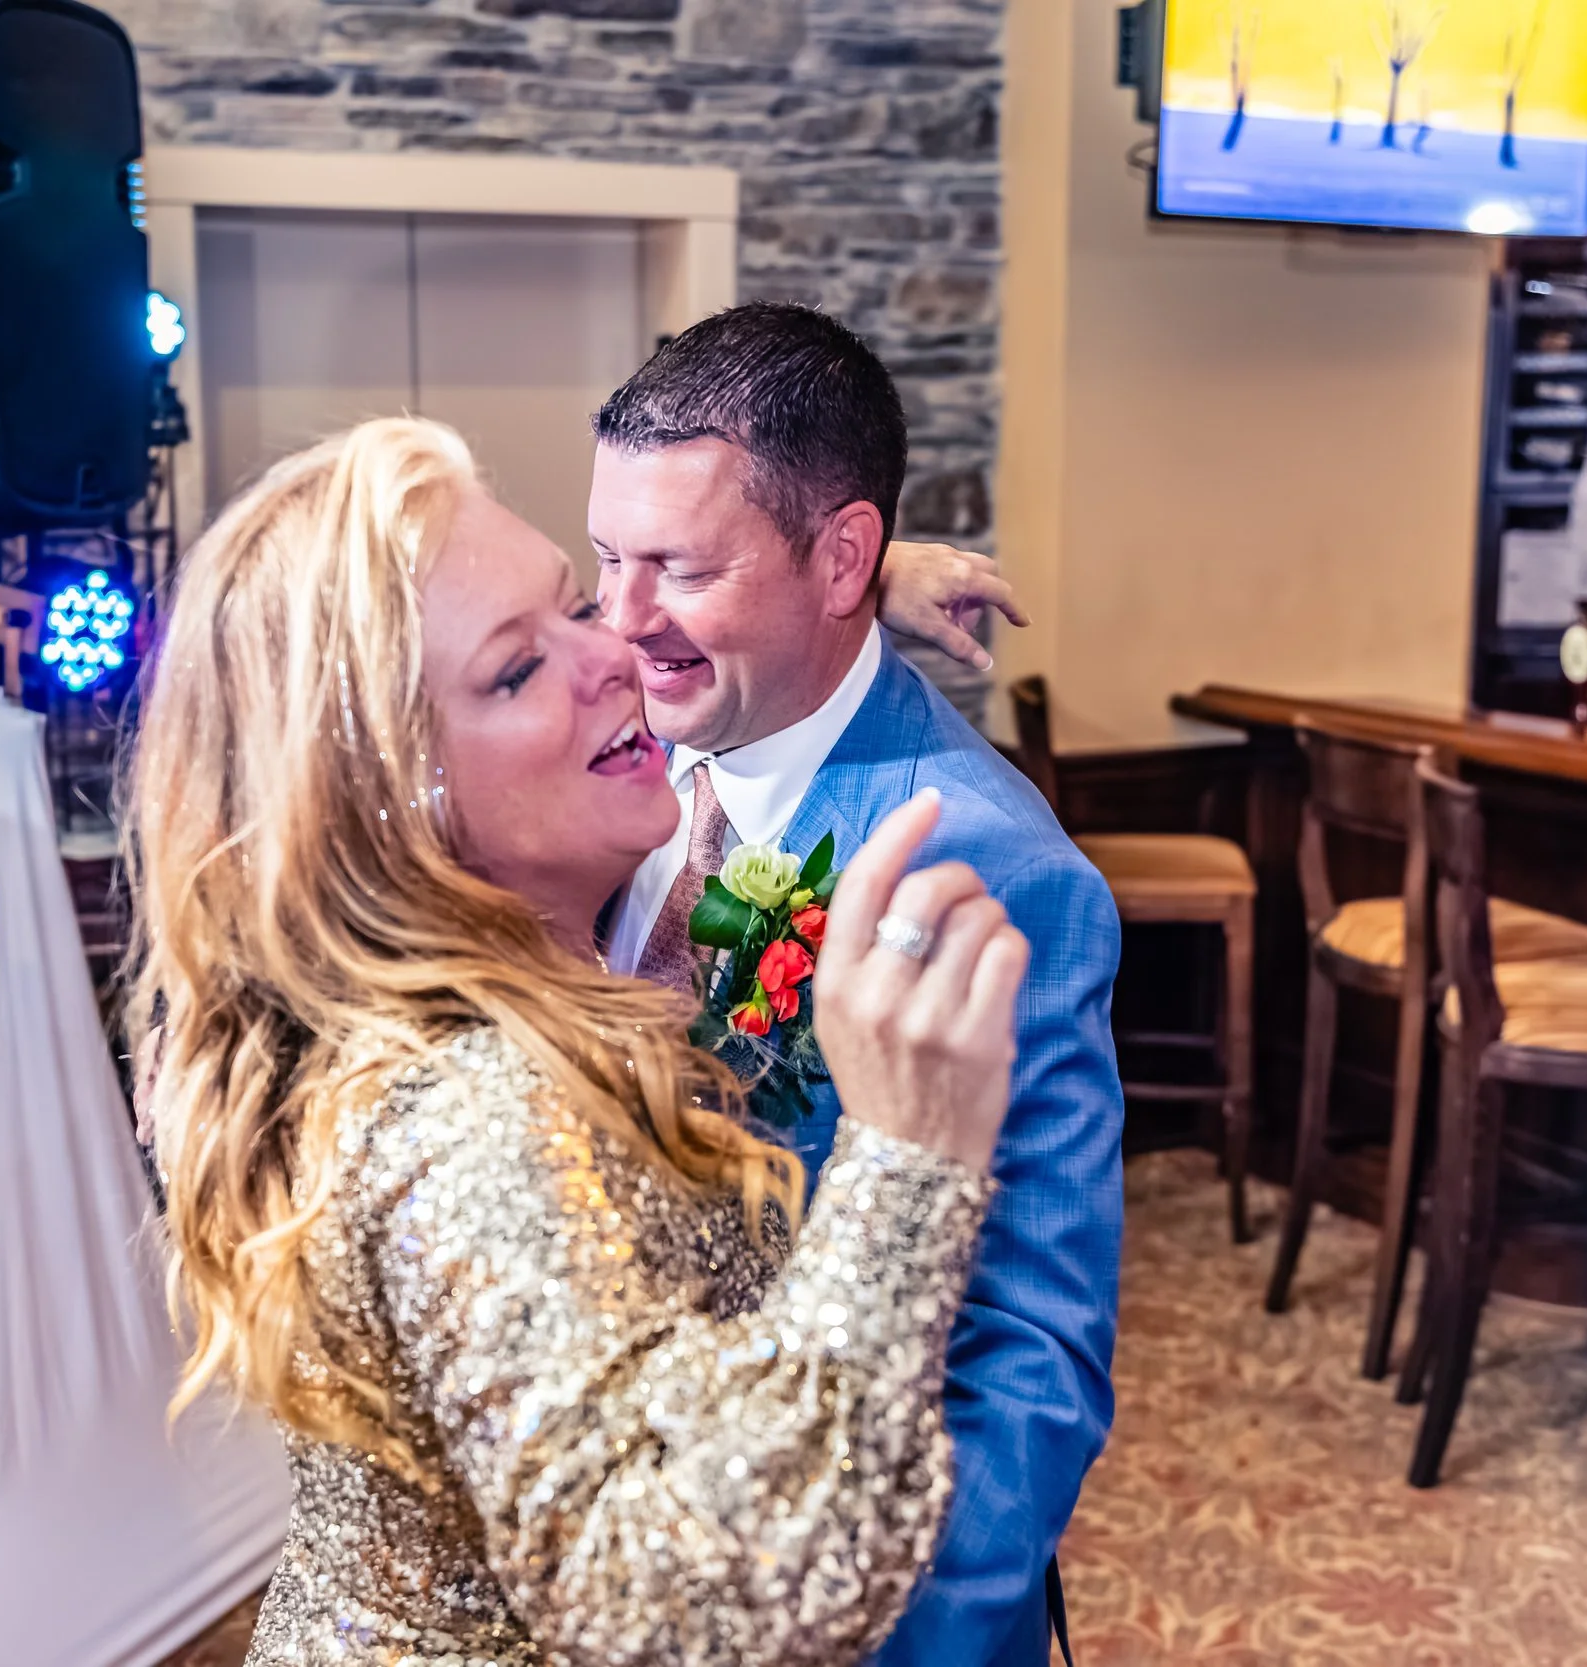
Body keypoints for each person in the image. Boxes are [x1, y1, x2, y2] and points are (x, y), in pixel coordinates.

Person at [131, 416, 1036, 1665]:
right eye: (517, 668)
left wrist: (841, 582)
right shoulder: (469, 1109)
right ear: (389, 797)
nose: (616, 648)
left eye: (571, 603)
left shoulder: (373, 982)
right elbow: (679, 1605)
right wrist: (906, 1158)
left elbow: (1026, 1343)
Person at [591, 302, 1123, 1664]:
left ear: (839, 556)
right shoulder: (599, 733)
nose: (621, 619)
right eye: (607, 557)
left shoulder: (987, 867)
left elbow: (1024, 1355)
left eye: (678, 567)